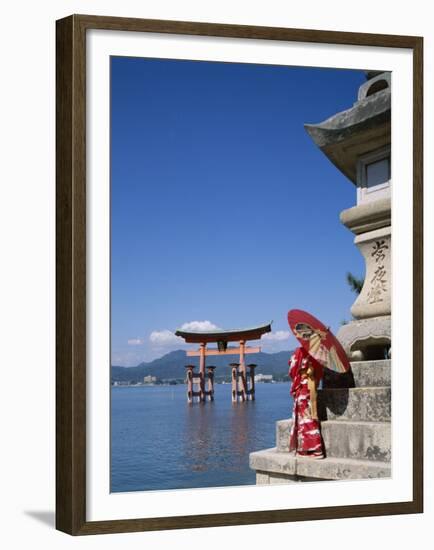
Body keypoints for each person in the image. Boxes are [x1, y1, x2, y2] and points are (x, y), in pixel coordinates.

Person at [288, 346, 325, 459]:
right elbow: (319, 373)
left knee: (305, 419)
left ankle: (315, 449)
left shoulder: (301, 350)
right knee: (309, 416)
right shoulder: (320, 353)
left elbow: (292, 368)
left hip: (303, 387)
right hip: (311, 386)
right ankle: (307, 449)